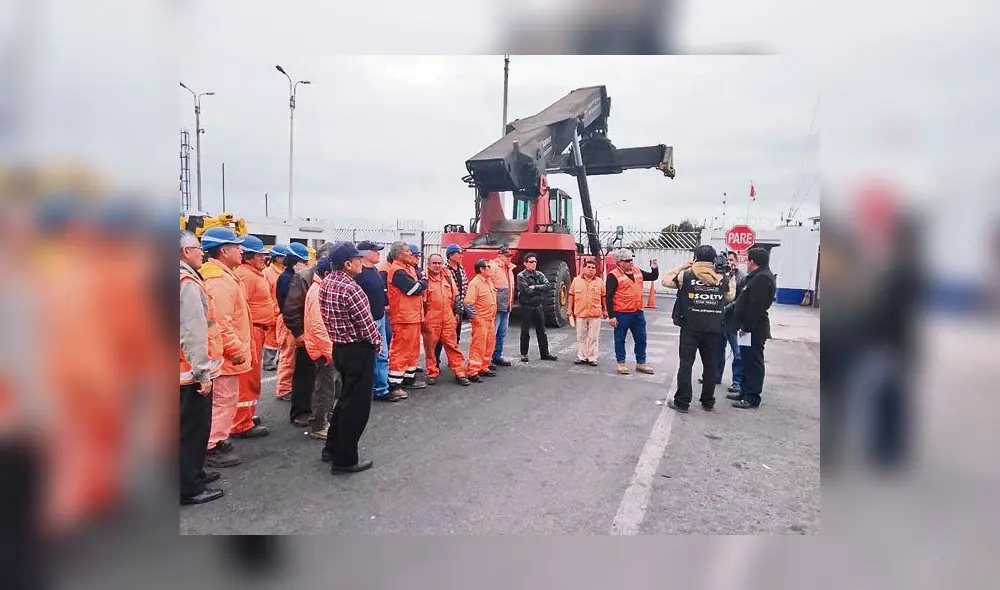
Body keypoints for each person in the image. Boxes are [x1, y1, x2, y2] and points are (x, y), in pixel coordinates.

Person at [319, 243, 382, 473]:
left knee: (345, 400)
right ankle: (345, 460)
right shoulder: (351, 289)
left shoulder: (327, 283)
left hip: (340, 348)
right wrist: (377, 343)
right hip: (358, 350)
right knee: (357, 407)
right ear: (347, 264)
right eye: (357, 259)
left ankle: (332, 448)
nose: (361, 262)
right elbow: (366, 325)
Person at [198, 227, 252, 469]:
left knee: (224, 399)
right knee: (223, 399)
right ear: (223, 250)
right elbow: (220, 321)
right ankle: (212, 446)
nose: (241, 251)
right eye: (237, 246)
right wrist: (236, 349)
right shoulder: (219, 281)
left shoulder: (225, 276)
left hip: (224, 352)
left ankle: (216, 439)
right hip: (224, 354)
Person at [660, 245, 736, 412]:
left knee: (686, 364)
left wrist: (681, 266)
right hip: (713, 329)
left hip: (690, 327)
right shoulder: (721, 278)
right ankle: (708, 401)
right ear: (714, 259)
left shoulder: (686, 275)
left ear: (695, 258)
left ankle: (682, 402)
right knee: (710, 365)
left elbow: (665, 280)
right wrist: (730, 276)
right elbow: (730, 296)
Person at [179, 231, 224, 505]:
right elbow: (193, 332)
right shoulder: (186, 282)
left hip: (183, 370)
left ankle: (194, 473)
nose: (202, 253)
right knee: (192, 430)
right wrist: (202, 373)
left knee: (189, 429)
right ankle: (189, 486)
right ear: (185, 252)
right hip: (189, 373)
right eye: (197, 248)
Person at [231, 235, 273, 438]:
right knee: (247, 379)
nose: (263, 258)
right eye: (259, 255)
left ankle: (245, 415)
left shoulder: (253, 274)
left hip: (257, 330)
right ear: (248, 256)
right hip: (251, 331)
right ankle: (241, 423)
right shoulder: (246, 276)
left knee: (251, 378)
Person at [729, 246, 776, 409]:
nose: (746, 263)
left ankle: (752, 397)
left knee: (754, 361)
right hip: (747, 327)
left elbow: (756, 306)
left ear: (752, 262)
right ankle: (744, 391)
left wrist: (747, 327)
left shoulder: (762, 278)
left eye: (748, 260)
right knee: (747, 360)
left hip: (754, 328)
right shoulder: (756, 276)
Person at [278, 242, 317, 426]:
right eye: (301, 260)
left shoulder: (297, 276)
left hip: (306, 327)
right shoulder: (290, 278)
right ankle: (285, 390)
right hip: (295, 324)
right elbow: (289, 306)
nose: (304, 263)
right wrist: (299, 332)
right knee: (290, 359)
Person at [606, 248, 658, 375]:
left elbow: (653, 277)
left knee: (641, 338)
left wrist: (654, 268)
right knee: (620, 339)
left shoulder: (637, 271)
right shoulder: (613, 276)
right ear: (619, 262)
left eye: (631, 259)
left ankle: (641, 363)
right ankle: (621, 363)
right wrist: (612, 316)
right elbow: (609, 297)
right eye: (628, 260)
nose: (631, 262)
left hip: (638, 312)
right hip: (621, 313)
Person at [304, 254, 339, 440]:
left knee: (330, 387)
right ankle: (319, 425)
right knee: (325, 390)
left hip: (326, 347)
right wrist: (329, 351)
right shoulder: (317, 291)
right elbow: (318, 325)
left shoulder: (320, 288)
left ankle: (325, 419)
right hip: (323, 350)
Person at [422, 253, 471, 386]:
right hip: (431, 318)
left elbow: (455, 296)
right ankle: (432, 372)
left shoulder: (447, 276)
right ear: (428, 264)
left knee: (453, 345)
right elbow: (420, 301)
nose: (437, 266)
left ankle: (460, 373)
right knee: (430, 348)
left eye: (439, 263)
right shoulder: (423, 279)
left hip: (448, 317)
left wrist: (457, 312)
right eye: (434, 263)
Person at [386, 241, 428, 394]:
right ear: (398, 254)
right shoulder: (397, 271)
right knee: (401, 351)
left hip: (413, 316)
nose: (411, 254)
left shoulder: (408, 268)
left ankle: (408, 378)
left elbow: (419, 283)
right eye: (407, 251)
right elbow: (414, 289)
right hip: (404, 317)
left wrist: (421, 282)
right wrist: (422, 282)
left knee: (412, 350)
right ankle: (394, 385)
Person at [354, 241, 394, 401]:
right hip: (369, 321)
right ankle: (377, 388)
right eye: (375, 251)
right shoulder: (359, 273)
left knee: (382, 355)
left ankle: (381, 388)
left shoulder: (374, 270)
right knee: (372, 356)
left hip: (380, 318)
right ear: (365, 254)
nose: (378, 253)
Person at [515, 252, 558, 363]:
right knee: (525, 331)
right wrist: (539, 290)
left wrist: (534, 287)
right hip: (526, 306)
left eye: (535, 262)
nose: (533, 264)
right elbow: (526, 291)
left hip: (538, 306)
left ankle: (545, 353)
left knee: (542, 331)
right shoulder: (521, 276)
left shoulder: (539, 274)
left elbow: (548, 286)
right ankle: (524, 354)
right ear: (525, 263)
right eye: (531, 262)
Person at [712, 250, 745, 393]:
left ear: (737, 261)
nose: (729, 263)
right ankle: (716, 376)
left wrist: (726, 309)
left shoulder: (741, 278)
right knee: (718, 351)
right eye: (727, 260)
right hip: (720, 321)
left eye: (732, 260)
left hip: (734, 322)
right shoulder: (719, 276)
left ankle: (737, 382)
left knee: (737, 353)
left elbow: (741, 300)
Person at [273, 244, 302, 400]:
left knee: (293, 356)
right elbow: (286, 302)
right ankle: (283, 389)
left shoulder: (291, 276)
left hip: (291, 319)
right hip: (286, 320)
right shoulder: (286, 278)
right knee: (287, 356)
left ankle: (289, 386)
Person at [567, 258, 607, 366]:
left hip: (595, 313)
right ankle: (582, 357)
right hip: (580, 313)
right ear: (583, 268)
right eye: (588, 267)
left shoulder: (600, 282)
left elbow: (603, 297)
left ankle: (592, 358)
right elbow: (571, 295)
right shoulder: (576, 280)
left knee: (593, 337)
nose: (591, 270)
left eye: (593, 268)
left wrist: (605, 310)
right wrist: (569, 309)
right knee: (581, 336)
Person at [463, 259, 498, 381]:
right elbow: (468, 303)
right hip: (481, 320)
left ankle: (484, 367)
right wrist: (475, 318)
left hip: (489, 320)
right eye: (488, 266)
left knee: (489, 345)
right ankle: (473, 371)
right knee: (478, 347)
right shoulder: (475, 283)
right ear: (481, 269)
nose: (490, 268)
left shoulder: (488, 281)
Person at [436, 243, 468, 365]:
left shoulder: (461, 269)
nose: (461, 255)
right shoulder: (444, 271)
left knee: (455, 337)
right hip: (446, 309)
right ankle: (436, 362)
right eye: (458, 253)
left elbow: (464, 287)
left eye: (461, 253)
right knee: (439, 338)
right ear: (450, 255)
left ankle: (453, 362)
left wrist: (459, 308)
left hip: (458, 308)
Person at [488, 245, 516, 367]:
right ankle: (487, 359)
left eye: (510, 256)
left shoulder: (509, 268)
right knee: (492, 334)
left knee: (501, 333)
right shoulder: (493, 266)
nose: (508, 258)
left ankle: (497, 356)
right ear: (499, 255)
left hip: (506, 306)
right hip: (497, 306)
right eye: (506, 256)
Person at [261, 245, 288, 371]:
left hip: (281, 310)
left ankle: (276, 360)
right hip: (273, 311)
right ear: (276, 258)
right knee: (271, 338)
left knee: (280, 338)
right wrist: (272, 310)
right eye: (283, 256)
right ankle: (268, 362)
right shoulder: (267, 273)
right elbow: (266, 295)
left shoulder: (283, 271)